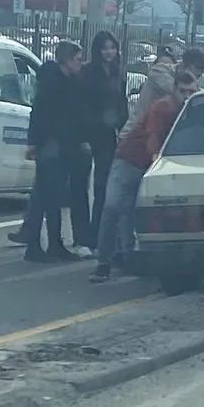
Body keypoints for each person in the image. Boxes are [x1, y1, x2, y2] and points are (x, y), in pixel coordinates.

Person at [90, 71, 199, 283]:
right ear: (174, 90)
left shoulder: (191, 109)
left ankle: (129, 257)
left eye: (191, 92)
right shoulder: (164, 107)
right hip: (130, 160)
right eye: (182, 91)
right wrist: (157, 161)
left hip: (154, 164)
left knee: (132, 213)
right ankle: (103, 262)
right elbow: (153, 136)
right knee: (113, 207)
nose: (186, 96)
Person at [12, 40, 86, 262]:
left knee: (48, 196)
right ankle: (39, 244)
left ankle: (51, 243)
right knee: (48, 197)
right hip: (52, 144)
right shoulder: (53, 83)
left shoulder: (68, 81)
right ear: (66, 60)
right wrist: (34, 142)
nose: (80, 65)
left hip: (60, 144)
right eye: (78, 60)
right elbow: (39, 112)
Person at [72, 31, 128, 253]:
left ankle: (97, 237)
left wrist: (123, 129)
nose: (108, 52)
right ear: (97, 50)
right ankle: (81, 237)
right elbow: (79, 105)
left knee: (103, 187)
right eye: (104, 48)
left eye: (112, 48)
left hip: (107, 135)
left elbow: (121, 104)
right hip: (85, 134)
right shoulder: (86, 73)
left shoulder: (118, 74)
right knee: (80, 187)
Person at [119, 47, 175, 141]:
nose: (164, 68)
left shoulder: (169, 83)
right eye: (161, 65)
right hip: (133, 136)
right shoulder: (160, 79)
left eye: (168, 65)